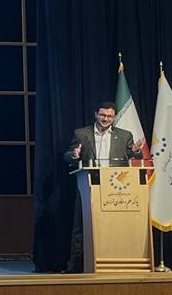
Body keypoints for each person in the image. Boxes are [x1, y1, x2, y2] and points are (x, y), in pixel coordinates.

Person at [61, 101, 145, 273]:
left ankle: (118, 262)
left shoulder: (124, 135)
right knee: (81, 226)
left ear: (114, 117)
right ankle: (75, 265)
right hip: (88, 186)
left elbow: (133, 156)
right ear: (96, 114)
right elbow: (67, 156)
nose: (105, 119)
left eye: (109, 116)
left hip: (116, 189)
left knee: (116, 226)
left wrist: (136, 151)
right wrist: (74, 155)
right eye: (102, 115)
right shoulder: (81, 134)